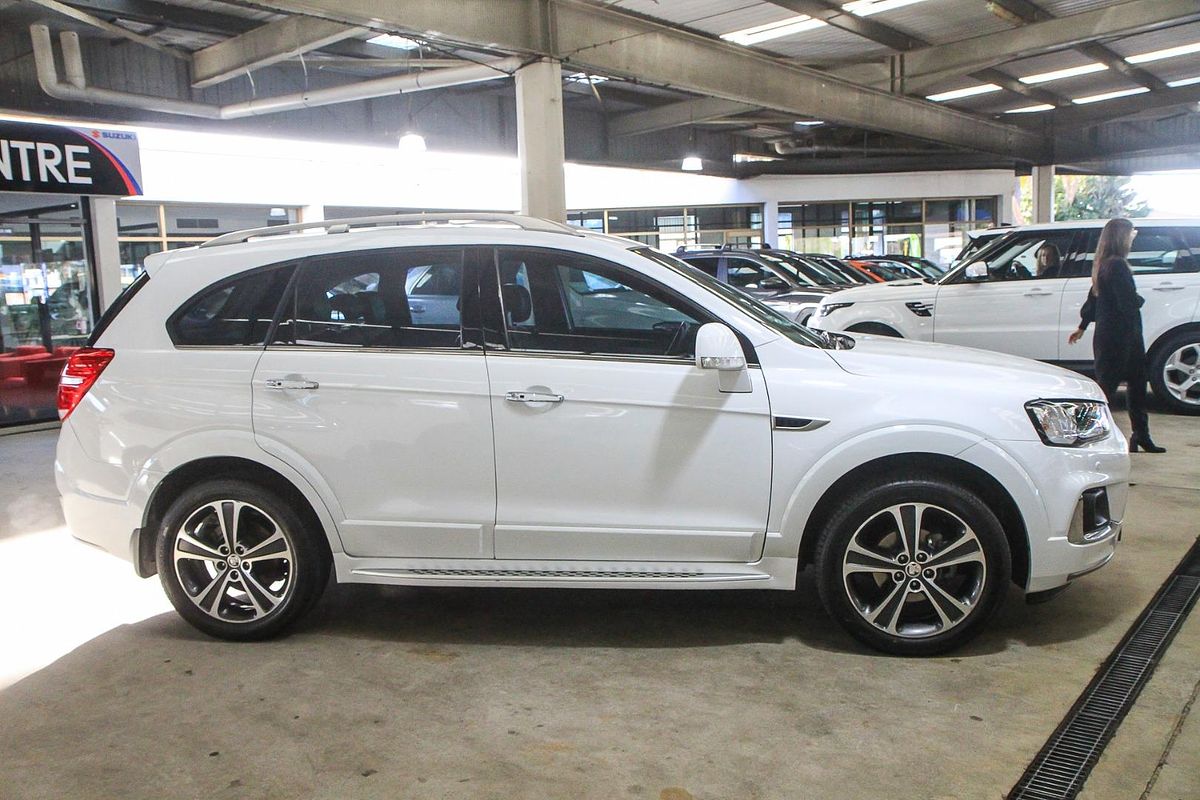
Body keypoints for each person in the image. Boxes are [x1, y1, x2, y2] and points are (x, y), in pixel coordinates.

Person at [1067, 218, 1164, 453]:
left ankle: (1141, 435)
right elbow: (1127, 302)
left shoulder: (1104, 263)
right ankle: (1079, 433)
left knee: (1135, 384)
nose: (1134, 235)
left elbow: (1094, 298)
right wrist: (1139, 299)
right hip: (1121, 336)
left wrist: (1082, 326)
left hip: (1115, 334)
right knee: (1108, 388)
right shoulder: (1117, 265)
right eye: (1132, 232)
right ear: (1122, 236)